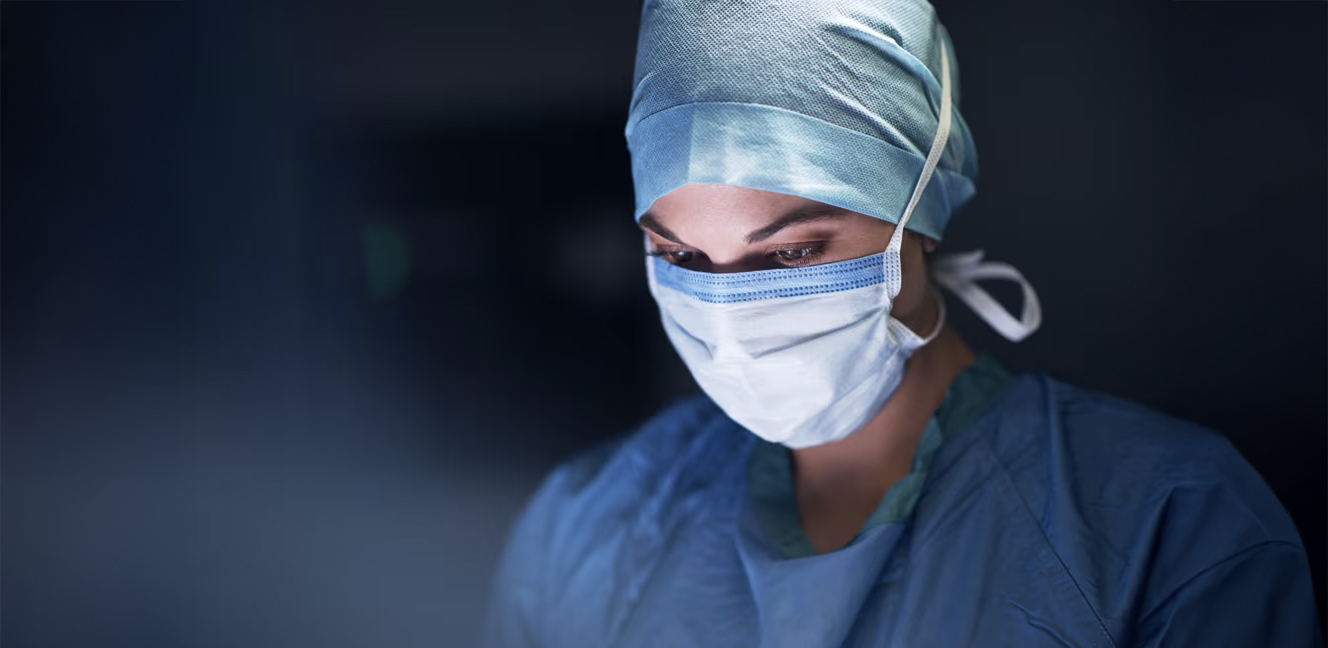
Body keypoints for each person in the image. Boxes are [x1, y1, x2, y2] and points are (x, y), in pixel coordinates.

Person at [483, 0, 1323, 646]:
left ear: (917, 212)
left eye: (790, 254)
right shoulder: (583, 533)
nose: (729, 318)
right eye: (685, 258)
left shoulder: (1165, 529)